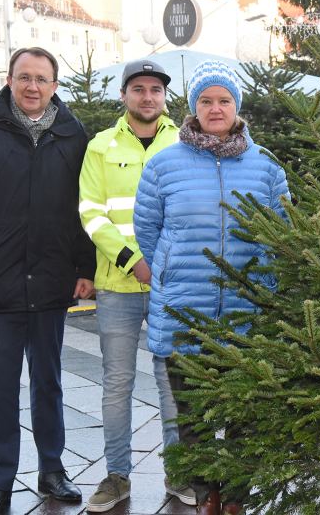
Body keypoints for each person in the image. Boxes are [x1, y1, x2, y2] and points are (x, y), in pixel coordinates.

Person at [0, 47, 96, 515]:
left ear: (54, 85)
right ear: (9, 80)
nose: (32, 87)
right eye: (24, 77)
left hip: (51, 281)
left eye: (41, 79)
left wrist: (83, 268)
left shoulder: (71, 133)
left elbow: (85, 207)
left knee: (48, 382)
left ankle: (52, 471)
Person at [133, 60, 289, 515]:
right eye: (206, 100)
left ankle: (237, 499)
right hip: (186, 311)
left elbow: (283, 229)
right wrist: (170, 272)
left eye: (223, 100)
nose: (215, 108)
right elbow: (148, 230)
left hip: (248, 311)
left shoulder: (265, 166)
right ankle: (206, 497)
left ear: (236, 107)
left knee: (245, 415)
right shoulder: (163, 165)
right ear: (193, 107)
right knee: (194, 419)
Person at [77, 59, 196, 511]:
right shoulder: (100, 147)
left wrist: (166, 265)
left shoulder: (185, 143)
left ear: (165, 97)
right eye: (139, 89)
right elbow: (92, 213)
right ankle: (116, 476)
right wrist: (133, 262)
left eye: (156, 90)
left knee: (173, 385)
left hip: (174, 286)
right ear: (124, 95)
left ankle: (179, 473)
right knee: (117, 384)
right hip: (119, 286)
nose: (148, 97)